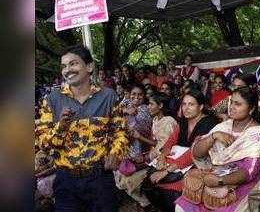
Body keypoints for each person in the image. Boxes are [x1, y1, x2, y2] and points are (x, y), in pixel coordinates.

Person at [35, 45, 128, 212]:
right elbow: (42, 143)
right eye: (63, 66)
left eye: (73, 64)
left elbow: (120, 132)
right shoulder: (51, 100)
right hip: (66, 181)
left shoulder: (108, 96)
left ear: (89, 67)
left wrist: (116, 152)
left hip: (100, 178)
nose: (67, 70)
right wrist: (61, 127)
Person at [175, 86, 260, 212]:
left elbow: (250, 171)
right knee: (182, 206)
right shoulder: (222, 127)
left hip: (241, 186)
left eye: (238, 104)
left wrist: (220, 181)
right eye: (231, 102)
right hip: (212, 177)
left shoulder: (257, 133)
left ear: (251, 109)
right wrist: (213, 137)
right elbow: (197, 153)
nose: (231, 107)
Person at [142, 89, 219, 212]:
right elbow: (171, 140)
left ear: (201, 107)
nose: (186, 108)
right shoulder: (183, 121)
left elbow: (193, 152)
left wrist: (166, 171)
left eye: (191, 104)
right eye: (184, 104)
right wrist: (162, 157)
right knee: (149, 181)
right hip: (177, 162)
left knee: (170, 188)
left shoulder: (209, 124)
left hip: (198, 165)